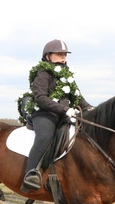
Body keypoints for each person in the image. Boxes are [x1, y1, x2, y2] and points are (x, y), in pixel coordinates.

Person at [22, 39, 93, 192]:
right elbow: (40, 98)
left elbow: (77, 95)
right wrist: (64, 109)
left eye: (65, 55)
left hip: (63, 114)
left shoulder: (67, 75)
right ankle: (30, 173)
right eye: (60, 54)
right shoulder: (43, 73)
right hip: (44, 113)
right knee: (45, 135)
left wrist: (89, 108)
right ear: (48, 56)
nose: (63, 58)